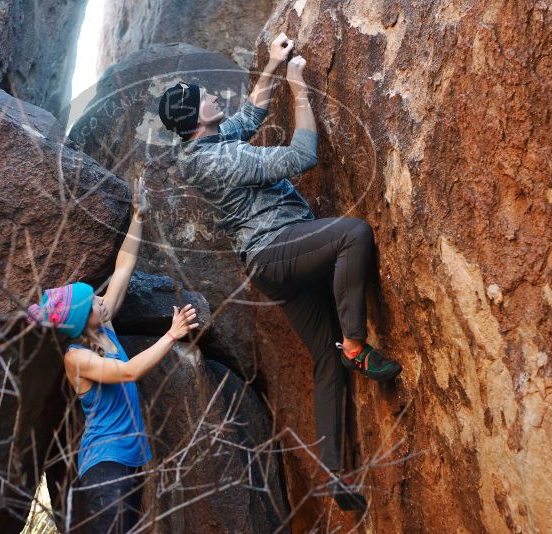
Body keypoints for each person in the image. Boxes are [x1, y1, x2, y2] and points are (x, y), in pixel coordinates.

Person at [156, 32, 401, 512]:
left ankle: (336, 474)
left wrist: (272, 64)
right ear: (195, 118)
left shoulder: (202, 147)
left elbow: (250, 115)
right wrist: (300, 88)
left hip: (275, 262)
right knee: (353, 234)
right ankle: (356, 343)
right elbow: (301, 158)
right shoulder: (219, 159)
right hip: (278, 251)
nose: (211, 96)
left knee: (324, 361)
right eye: (203, 97)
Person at [27, 177, 199, 533]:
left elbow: (123, 267)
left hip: (127, 464)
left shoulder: (104, 327)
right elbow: (127, 373)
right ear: (82, 318)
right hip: (105, 467)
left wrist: (138, 216)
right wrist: (172, 334)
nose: (101, 298)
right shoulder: (75, 358)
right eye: (92, 300)